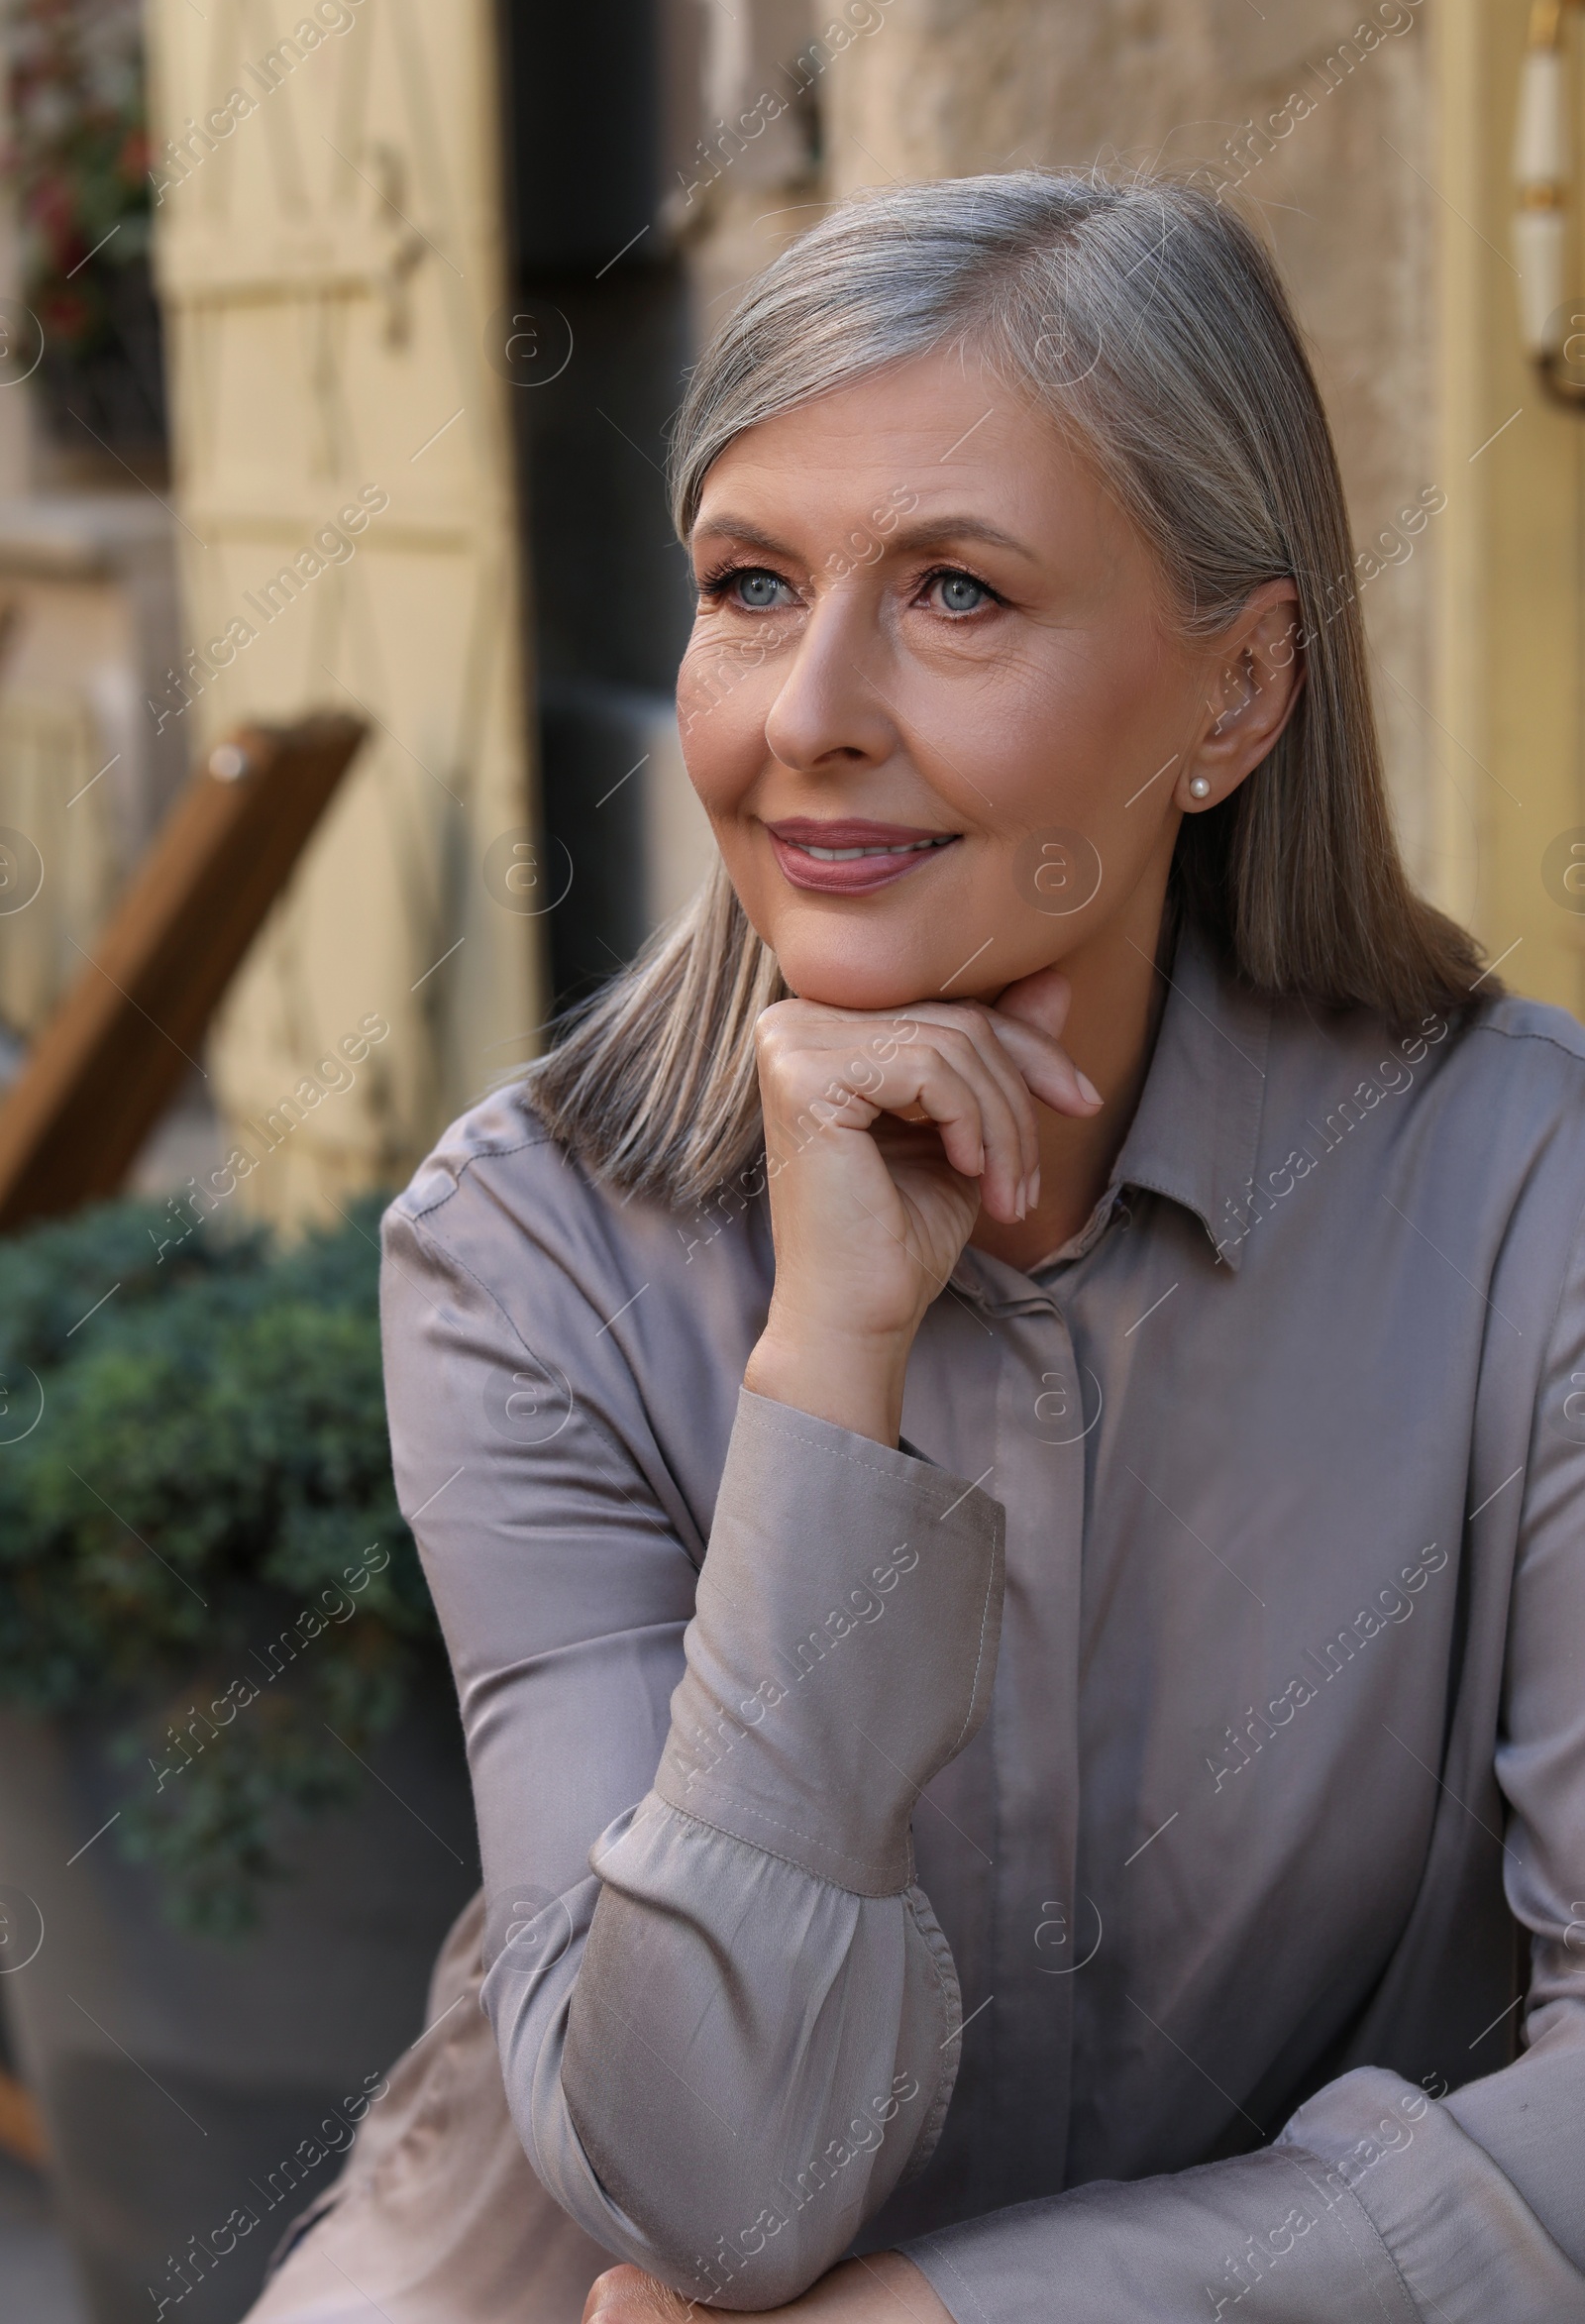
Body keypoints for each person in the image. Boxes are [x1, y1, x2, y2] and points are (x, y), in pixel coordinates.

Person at [247, 171, 1585, 2324]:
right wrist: (827, 1369)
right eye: (750, 585)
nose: (806, 714)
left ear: (1234, 699)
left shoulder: (1527, 1196)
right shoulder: (524, 1256)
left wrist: (974, 2319)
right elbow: (707, 2197)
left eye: (956, 594)